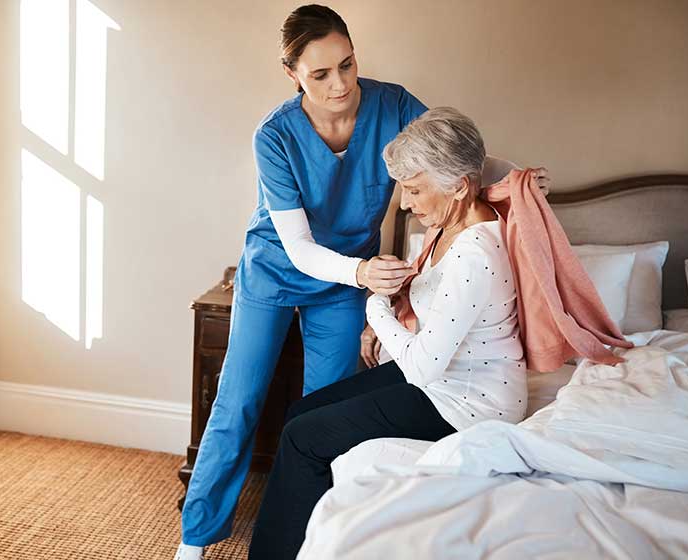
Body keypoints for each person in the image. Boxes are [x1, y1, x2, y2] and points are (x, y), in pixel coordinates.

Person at [175, 6, 549, 559]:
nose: (340, 84)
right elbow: (299, 248)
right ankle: (195, 539)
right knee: (238, 402)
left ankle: (314, 538)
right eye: (320, 74)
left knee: (321, 409)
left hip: (349, 279)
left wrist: (513, 175)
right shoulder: (274, 137)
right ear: (293, 74)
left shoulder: (393, 104)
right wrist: (364, 277)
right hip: (280, 270)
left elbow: (454, 158)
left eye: (347, 65)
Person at [248, 107, 529, 560]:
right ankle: (309, 539)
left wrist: (375, 306)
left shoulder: (476, 252)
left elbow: (420, 366)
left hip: (470, 404)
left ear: (458, 185)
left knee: (304, 439)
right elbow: (486, 164)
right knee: (302, 410)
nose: (404, 203)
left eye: (415, 189)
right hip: (445, 381)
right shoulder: (452, 221)